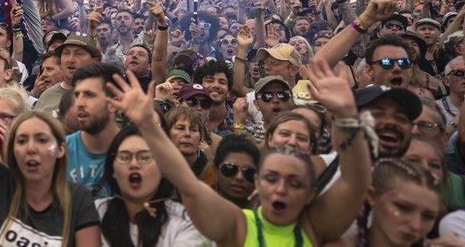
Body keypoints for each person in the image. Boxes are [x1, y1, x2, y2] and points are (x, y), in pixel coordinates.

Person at [108, 55, 372, 247]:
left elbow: (356, 181)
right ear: (256, 182)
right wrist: (147, 125)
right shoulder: (237, 225)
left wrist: (347, 115)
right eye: (271, 178)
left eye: (295, 182)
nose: (281, 189)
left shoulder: (316, 226)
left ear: (311, 192)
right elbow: (187, 183)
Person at [0, 40, 101, 246]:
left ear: (61, 148)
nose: (31, 148)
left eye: (42, 140)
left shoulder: (77, 198)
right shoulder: (0, 183)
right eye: (22, 140)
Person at [95, 125, 206, 246]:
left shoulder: (185, 220)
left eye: (144, 157)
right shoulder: (96, 212)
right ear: (112, 170)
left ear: (163, 169)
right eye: (124, 157)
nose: (134, 164)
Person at [66, 63, 121, 196]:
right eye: (77, 95)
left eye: (89, 95)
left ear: (113, 104)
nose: (79, 103)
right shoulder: (61, 151)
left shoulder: (134, 153)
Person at [36, 35, 101, 116]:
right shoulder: (47, 97)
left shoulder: (106, 95)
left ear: (94, 62)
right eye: (66, 53)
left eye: (78, 54)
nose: (70, 60)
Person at [213, 134, 260, 209]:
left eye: (248, 172)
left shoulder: (266, 216)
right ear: (215, 171)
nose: (239, 177)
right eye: (230, 169)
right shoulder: (196, 211)